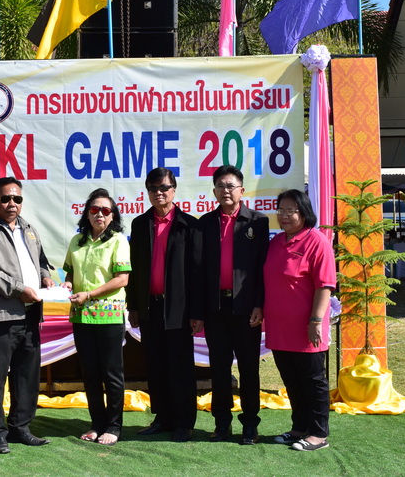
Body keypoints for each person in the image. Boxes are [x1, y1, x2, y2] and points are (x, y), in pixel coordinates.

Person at [0, 177, 55, 454]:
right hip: (1, 315)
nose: (11, 204)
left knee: (27, 374)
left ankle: (20, 428)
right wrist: (19, 289)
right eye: (5, 198)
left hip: (31, 313)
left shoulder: (28, 228)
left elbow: (41, 261)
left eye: (17, 199)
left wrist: (46, 277)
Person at [126, 167, 202, 443]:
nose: (159, 193)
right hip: (149, 308)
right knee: (155, 364)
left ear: (174, 190)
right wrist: (134, 306)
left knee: (180, 367)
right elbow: (134, 268)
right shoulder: (140, 224)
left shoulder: (189, 225)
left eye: (164, 188)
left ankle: (184, 422)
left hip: (179, 310)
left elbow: (197, 272)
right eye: (153, 188)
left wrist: (196, 312)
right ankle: (162, 418)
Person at [195, 165, 269, 445]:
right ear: (214, 191)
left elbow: (262, 268)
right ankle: (221, 423)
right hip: (215, 309)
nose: (226, 191)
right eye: (220, 186)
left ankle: (250, 424)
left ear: (241, 190)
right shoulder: (205, 223)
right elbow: (198, 270)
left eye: (231, 186)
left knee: (249, 369)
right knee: (219, 369)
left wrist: (259, 304)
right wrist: (199, 312)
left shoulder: (257, 222)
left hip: (246, 309)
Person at [263, 189, 336, 452]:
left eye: (290, 210)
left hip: (307, 328)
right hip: (279, 327)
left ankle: (318, 434)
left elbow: (324, 285)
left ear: (304, 213)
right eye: (280, 210)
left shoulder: (317, 242)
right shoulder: (276, 242)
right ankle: (299, 427)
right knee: (292, 380)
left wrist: (315, 321)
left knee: (313, 381)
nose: (284, 215)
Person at [62, 188, 131, 446]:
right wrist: (68, 284)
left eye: (105, 210)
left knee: (111, 374)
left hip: (109, 316)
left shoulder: (118, 241)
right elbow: (70, 273)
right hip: (81, 316)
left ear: (112, 216)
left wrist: (89, 294)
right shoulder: (76, 241)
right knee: (90, 374)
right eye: (94, 209)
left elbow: (122, 279)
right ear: (87, 214)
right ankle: (97, 424)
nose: (99, 214)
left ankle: (113, 426)